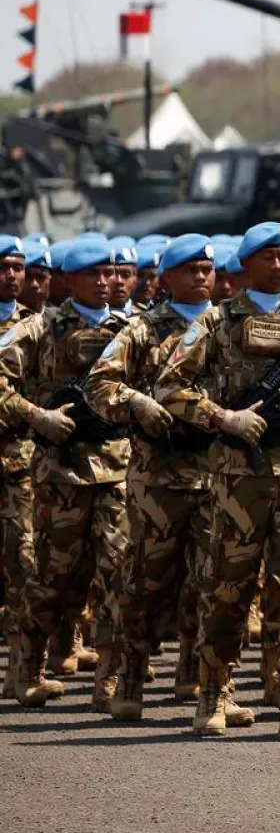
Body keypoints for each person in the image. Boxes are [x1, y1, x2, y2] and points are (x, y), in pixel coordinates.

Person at [156, 222, 280, 742]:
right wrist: (220, 417)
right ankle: (214, 691)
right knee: (229, 585)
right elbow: (170, 385)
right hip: (238, 472)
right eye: (270, 256)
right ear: (245, 265)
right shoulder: (218, 320)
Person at [85, 234, 241, 722]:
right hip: (160, 477)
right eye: (190, 269)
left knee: (216, 582)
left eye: (207, 269)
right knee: (148, 581)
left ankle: (209, 684)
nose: (201, 277)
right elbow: (100, 383)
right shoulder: (143, 329)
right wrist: (135, 401)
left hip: (221, 474)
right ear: (166, 278)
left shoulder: (230, 325)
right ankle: (129, 674)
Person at [0, 238, 130, 710]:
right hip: (60, 475)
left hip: (117, 471)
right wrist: (36, 416)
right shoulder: (40, 327)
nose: (105, 282)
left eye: (111, 273)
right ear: (67, 281)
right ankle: (28, 669)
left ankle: (111, 682)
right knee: (54, 580)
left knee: (118, 576)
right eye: (93, 274)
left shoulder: (129, 328)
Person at [0, 236, 36, 700]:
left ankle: (19, 670)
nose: (11, 275)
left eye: (17, 267)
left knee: (21, 564)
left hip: (17, 465)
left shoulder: (35, 326)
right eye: (4, 267)